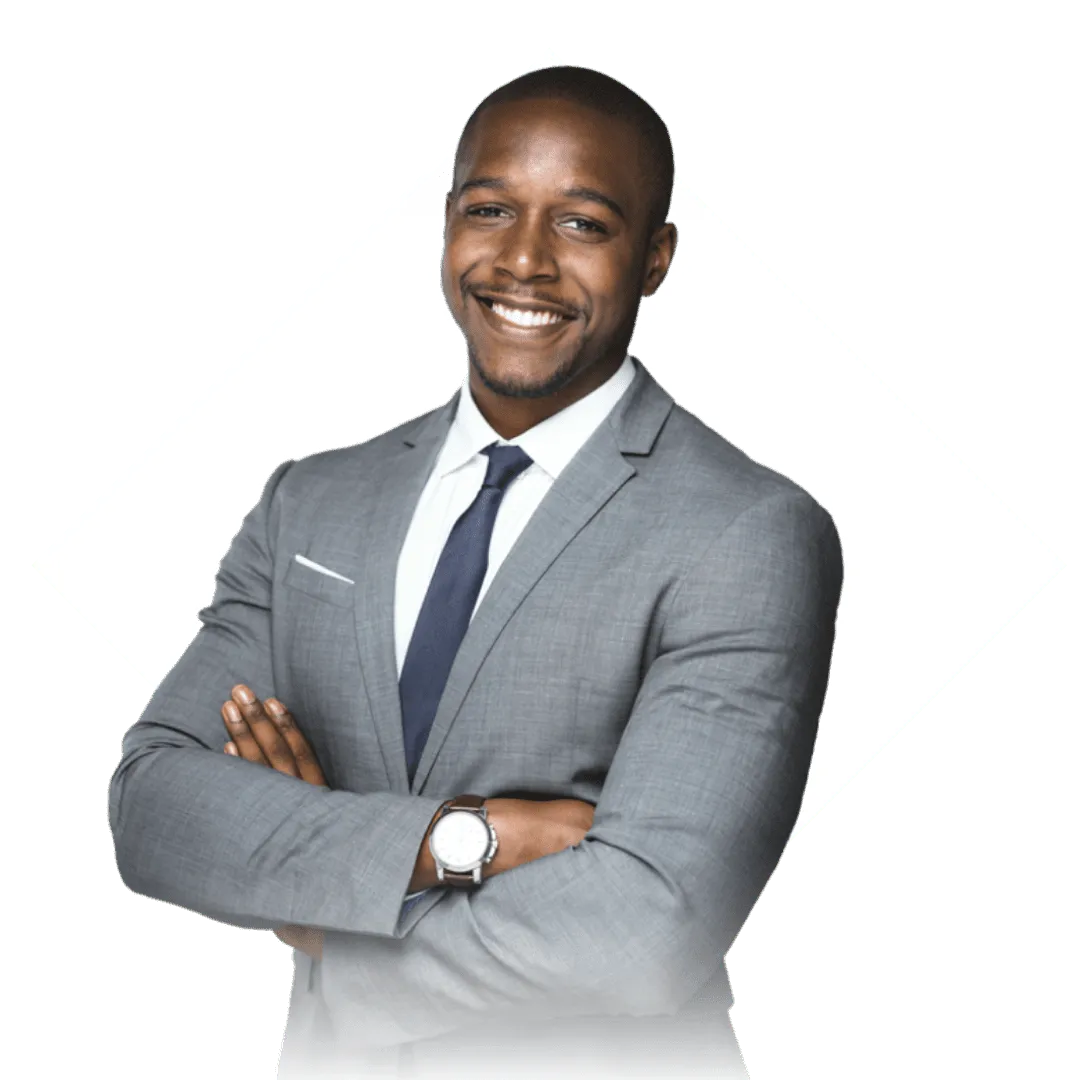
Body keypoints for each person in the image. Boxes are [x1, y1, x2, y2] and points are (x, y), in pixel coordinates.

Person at [107, 64, 844, 1079]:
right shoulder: (312, 502)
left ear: (656, 258)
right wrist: (468, 839)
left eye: (582, 223)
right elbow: (151, 811)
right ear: (448, 223)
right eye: (490, 209)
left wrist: (326, 923)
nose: (524, 260)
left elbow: (646, 934)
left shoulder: (747, 531)